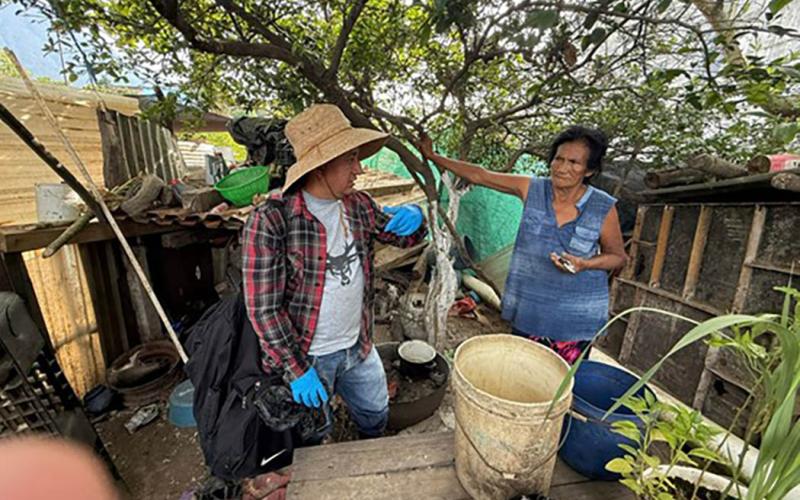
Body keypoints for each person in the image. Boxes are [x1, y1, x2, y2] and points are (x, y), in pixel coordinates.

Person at [242, 104, 427, 439]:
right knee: (313, 431)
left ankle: (368, 447)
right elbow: (263, 309)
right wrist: (297, 370)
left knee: (375, 412)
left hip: (358, 344)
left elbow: (404, 236)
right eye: (350, 159)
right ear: (320, 167)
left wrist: (417, 216)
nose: (359, 168)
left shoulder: (358, 205)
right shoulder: (272, 219)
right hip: (309, 354)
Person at [417, 126, 626, 363]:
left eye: (574, 163)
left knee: (561, 384)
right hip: (531, 310)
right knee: (524, 374)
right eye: (558, 159)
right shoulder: (532, 189)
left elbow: (618, 257)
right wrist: (433, 157)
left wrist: (584, 263)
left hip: (574, 318)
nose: (562, 167)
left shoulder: (602, 207)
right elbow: (480, 175)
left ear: (589, 170)